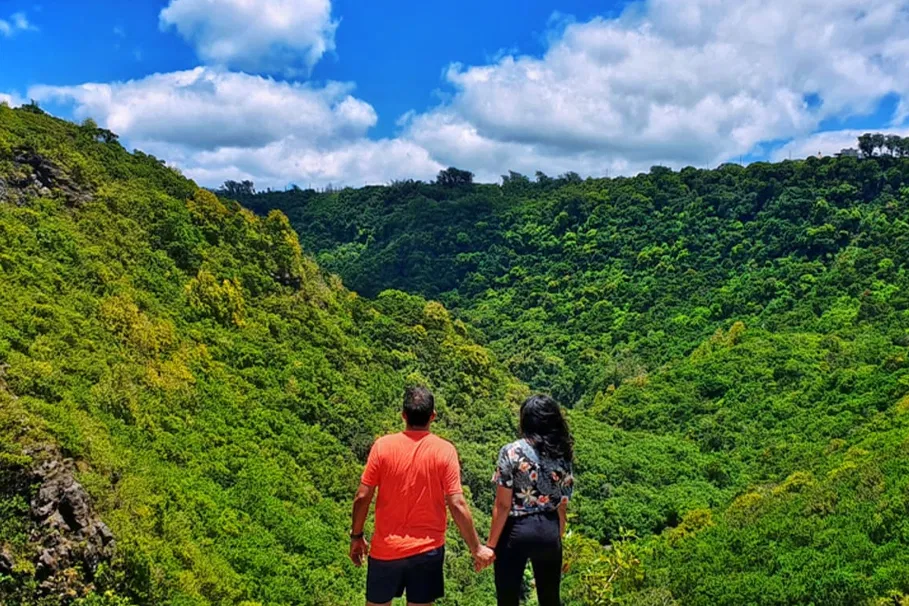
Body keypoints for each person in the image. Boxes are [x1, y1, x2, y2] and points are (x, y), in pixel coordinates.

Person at [349, 386, 496, 606]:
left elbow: (362, 497)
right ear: (433, 416)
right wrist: (476, 548)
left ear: (403, 415)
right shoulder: (445, 451)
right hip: (428, 552)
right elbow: (457, 503)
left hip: (386, 549)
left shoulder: (382, 447)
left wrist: (356, 536)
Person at [485, 394, 575, 606]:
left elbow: (503, 504)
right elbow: (562, 502)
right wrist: (558, 535)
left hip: (515, 531)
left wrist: (490, 545)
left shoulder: (511, 451)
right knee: (550, 598)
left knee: (507, 598)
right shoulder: (561, 452)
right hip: (548, 529)